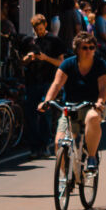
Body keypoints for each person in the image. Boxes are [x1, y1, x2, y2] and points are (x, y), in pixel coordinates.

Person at [41, 31, 106, 172]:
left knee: (92, 117)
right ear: (77, 49)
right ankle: (66, 178)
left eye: (92, 47)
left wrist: (100, 103)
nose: (88, 51)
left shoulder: (100, 64)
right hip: (70, 108)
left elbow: (103, 87)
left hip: (92, 106)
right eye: (84, 48)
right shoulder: (68, 64)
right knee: (58, 143)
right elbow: (56, 85)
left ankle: (91, 157)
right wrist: (47, 101)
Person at [21, 15, 65, 156]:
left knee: (45, 113)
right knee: (31, 115)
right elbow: (22, 61)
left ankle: (45, 145)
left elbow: (60, 62)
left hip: (48, 80)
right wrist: (28, 58)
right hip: (32, 81)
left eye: (40, 29)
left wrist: (46, 58)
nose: (39, 32)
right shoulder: (30, 41)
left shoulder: (54, 40)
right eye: (36, 29)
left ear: (45, 25)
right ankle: (35, 147)